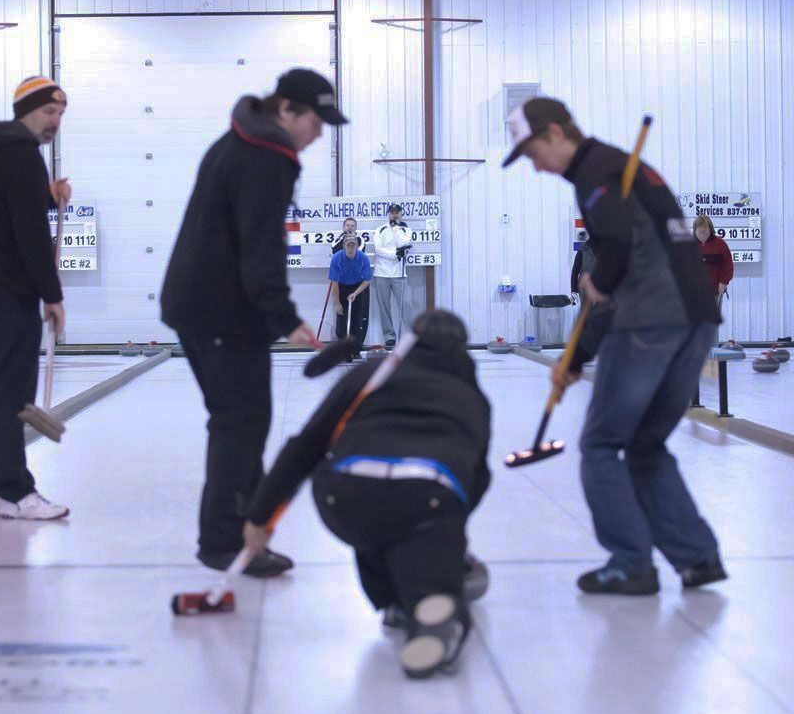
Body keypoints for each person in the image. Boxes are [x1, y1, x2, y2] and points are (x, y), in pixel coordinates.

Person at [504, 97, 726, 595]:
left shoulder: (597, 172)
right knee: (645, 444)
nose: (536, 167)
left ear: (555, 132)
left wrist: (596, 283)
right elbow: (625, 256)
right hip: (696, 319)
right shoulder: (623, 167)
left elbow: (617, 257)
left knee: (602, 443)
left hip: (651, 321)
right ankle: (698, 557)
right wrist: (578, 356)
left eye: (534, 153)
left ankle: (631, 562)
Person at [161, 68, 345, 577]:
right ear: (285, 109)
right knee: (240, 424)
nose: (318, 135)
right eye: (315, 122)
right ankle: (223, 542)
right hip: (219, 311)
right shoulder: (266, 157)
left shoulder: (238, 141)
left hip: (207, 305)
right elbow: (260, 247)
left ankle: (242, 532)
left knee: (241, 421)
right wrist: (285, 317)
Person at [241, 311, 492, 678]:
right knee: (423, 528)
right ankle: (435, 612)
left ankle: (392, 601)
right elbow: (478, 478)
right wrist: (450, 533)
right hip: (427, 492)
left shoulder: (371, 373)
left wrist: (260, 516)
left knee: (372, 510)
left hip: (345, 493)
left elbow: (306, 444)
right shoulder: (471, 397)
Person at [0, 76, 72, 521]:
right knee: (11, 392)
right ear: (26, 110)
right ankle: (15, 491)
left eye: (60, 114)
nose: (55, 121)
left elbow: (4, 209)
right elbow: (29, 234)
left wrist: (46, 196)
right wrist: (52, 295)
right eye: (48, 111)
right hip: (10, 286)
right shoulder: (24, 155)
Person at [372, 204, 413, 347]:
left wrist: (396, 229)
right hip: (381, 273)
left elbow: (404, 244)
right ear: (388, 214)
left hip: (399, 273)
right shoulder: (380, 229)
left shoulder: (406, 230)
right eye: (392, 213)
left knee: (406, 304)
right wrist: (395, 254)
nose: (394, 215)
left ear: (401, 214)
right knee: (384, 307)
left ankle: (411, 335)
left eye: (397, 213)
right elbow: (378, 249)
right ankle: (389, 336)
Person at [329, 234, 371, 358]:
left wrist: (355, 294)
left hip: (357, 287)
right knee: (341, 322)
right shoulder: (336, 258)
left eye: (353, 245)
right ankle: (343, 351)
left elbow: (367, 281)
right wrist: (337, 303)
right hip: (341, 287)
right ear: (344, 246)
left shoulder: (363, 258)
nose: (351, 247)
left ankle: (356, 350)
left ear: (357, 246)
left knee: (356, 321)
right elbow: (334, 282)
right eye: (348, 245)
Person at [694, 215, 734, 308]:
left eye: (705, 227)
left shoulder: (720, 244)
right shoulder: (687, 245)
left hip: (715, 291)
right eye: (700, 227)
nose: (702, 230)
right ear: (695, 229)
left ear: (710, 229)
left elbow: (728, 265)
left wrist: (724, 282)